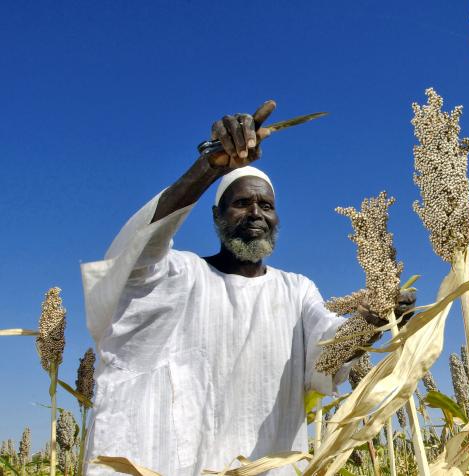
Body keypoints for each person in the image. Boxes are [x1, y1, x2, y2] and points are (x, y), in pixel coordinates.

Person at [79, 101, 412, 475]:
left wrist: (371, 322)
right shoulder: (180, 275)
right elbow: (133, 258)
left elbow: (328, 349)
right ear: (217, 215)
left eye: (266, 205)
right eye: (242, 203)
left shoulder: (296, 289)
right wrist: (209, 166)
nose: (256, 213)